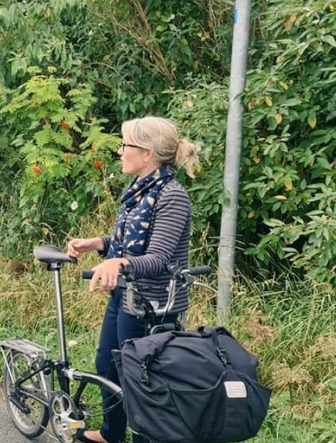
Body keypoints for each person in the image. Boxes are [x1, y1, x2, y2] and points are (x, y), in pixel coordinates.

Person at [66, 117, 199, 443]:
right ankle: (112, 433)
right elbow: (125, 245)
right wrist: (98, 245)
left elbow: (157, 260)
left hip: (152, 306)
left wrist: (119, 261)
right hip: (126, 296)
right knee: (108, 366)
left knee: (140, 383)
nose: (120, 151)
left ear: (148, 154)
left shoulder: (171, 196)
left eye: (126, 145)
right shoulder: (139, 192)